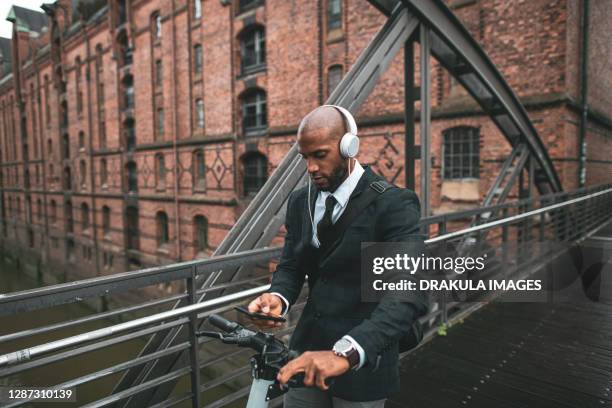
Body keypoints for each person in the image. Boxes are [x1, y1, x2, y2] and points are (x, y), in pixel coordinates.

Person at [247, 105, 427, 407]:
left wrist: (348, 352)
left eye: (320, 155)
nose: (311, 168)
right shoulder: (299, 201)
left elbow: (407, 291)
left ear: (349, 147)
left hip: (364, 359)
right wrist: (278, 297)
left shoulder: (393, 204)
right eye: (305, 158)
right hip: (306, 353)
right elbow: (292, 264)